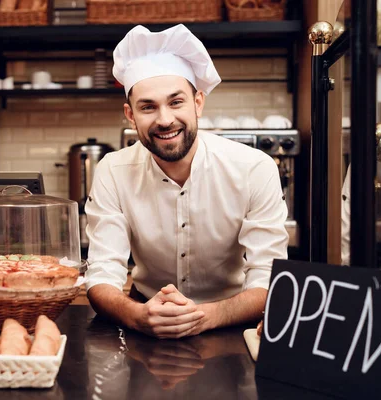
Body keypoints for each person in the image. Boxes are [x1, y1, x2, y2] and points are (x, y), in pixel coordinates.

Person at [84, 24, 289, 339]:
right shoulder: (112, 171)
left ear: (198, 103)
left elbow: (268, 278)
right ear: (130, 114)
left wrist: (206, 316)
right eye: (148, 107)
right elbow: (101, 275)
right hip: (143, 323)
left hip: (232, 323)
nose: (165, 119)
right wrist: (138, 316)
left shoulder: (254, 168)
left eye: (176, 102)